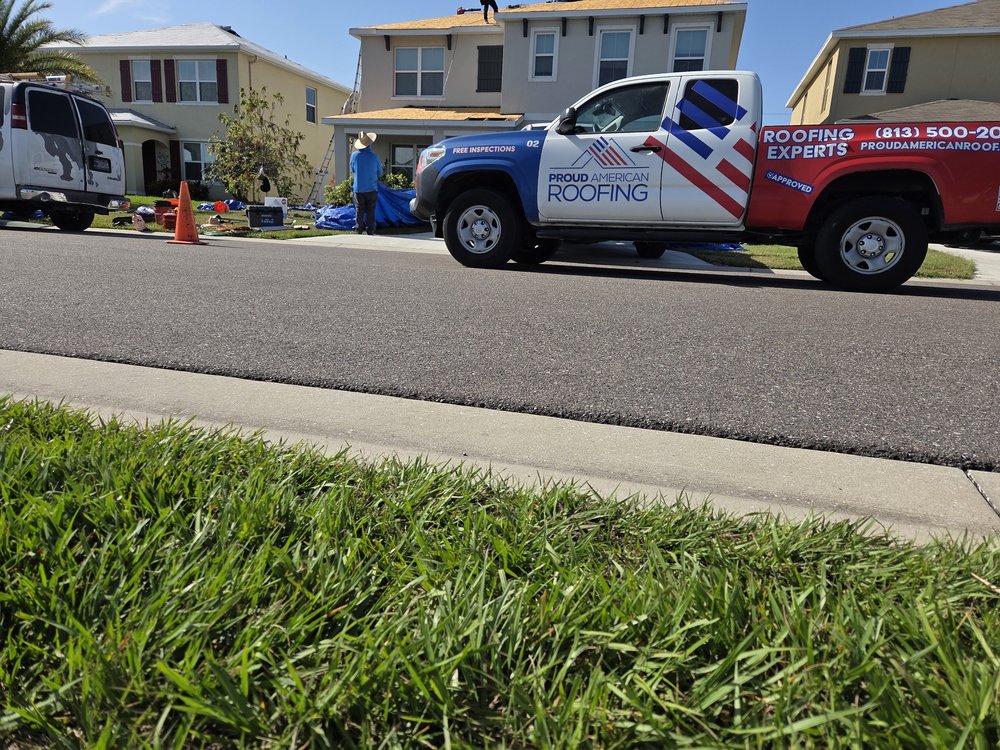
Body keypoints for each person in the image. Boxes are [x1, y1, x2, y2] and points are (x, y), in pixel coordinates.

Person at [349, 131, 382, 235]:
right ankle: (370, 230)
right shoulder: (375, 157)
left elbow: (353, 169)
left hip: (358, 188)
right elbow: (379, 173)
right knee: (371, 210)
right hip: (372, 188)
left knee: (359, 209)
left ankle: (359, 229)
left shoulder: (354, 156)